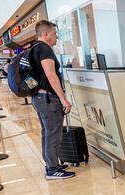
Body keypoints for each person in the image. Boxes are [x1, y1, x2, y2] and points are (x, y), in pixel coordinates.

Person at [31, 20, 75, 180]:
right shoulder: (45, 49)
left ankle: (52, 164)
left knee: (47, 133)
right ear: (46, 34)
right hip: (48, 99)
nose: (56, 37)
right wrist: (64, 99)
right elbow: (51, 75)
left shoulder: (34, 49)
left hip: (39, 97)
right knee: (53, 134)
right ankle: (52, 169)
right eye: (55, 34)